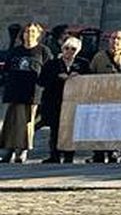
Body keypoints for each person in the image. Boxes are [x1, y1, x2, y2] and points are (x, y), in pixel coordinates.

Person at [2, 23, 49, 163]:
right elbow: (7, 69)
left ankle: (22, 150)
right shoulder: (15, 51)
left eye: (33, 32)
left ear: (39, 35)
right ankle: (8, 149)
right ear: (23, 35)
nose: (30, 35)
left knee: (26, 123)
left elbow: (47, 71)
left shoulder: (43, 51)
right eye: (27, 32)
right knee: (11, 122)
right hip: (14, 91)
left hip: (32, 93)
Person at [38, 37, 88, 164]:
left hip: (75, 101)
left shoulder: (83, 64)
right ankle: (54, 155)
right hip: (55, 100)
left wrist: (78, 77)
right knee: (55, 129)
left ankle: (69, 156)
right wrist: (57, 77)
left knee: (71, 129)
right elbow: (42, 81)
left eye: (73, 49)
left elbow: (89, 80)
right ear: (62, 49)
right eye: (67, 48)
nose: (69, 51)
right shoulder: (52, 63)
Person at [88, 30, 121, 162]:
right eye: (113, 39)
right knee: (100, 125)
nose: (115, 42)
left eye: (119, 39)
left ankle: (115, 151)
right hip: (102, 97)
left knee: (118, 125)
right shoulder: (99, 57)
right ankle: (98, 152)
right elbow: (90, 75)